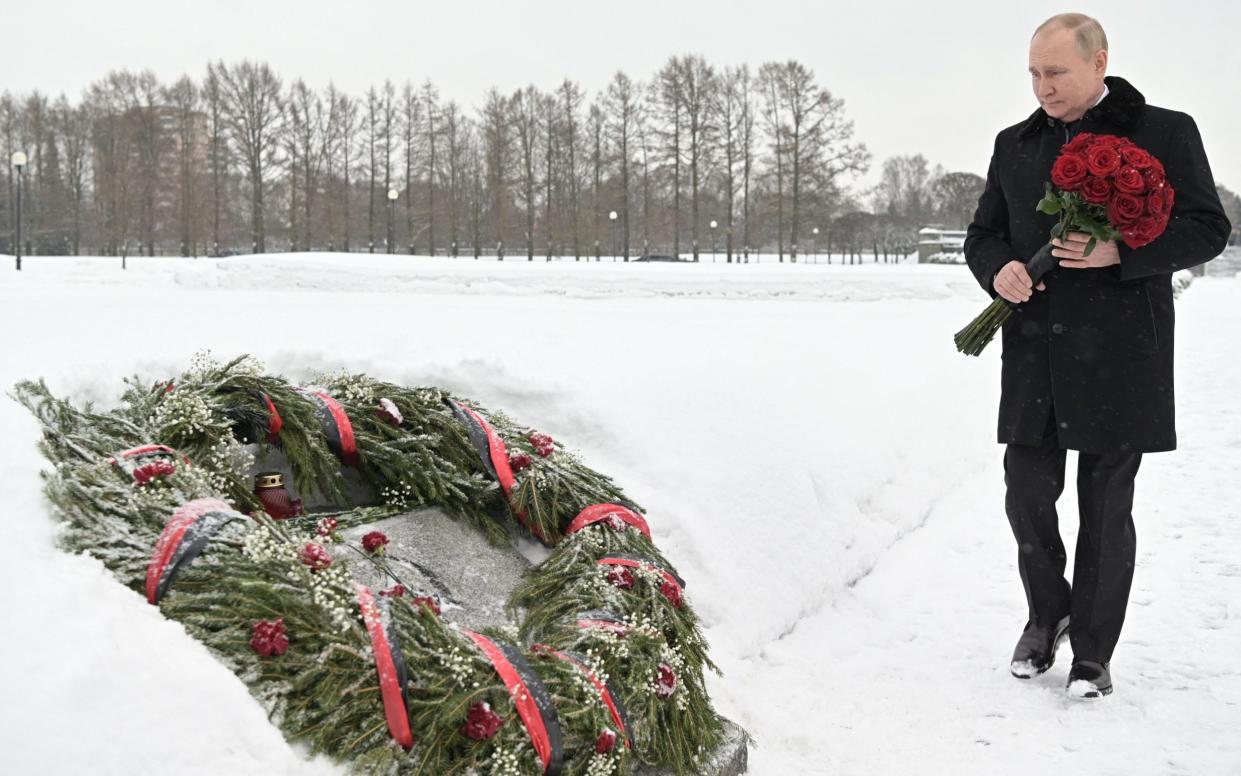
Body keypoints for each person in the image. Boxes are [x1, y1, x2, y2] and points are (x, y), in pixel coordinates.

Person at [963, 12, 1231, 699]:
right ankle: (1045, 614)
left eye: (1055, 73)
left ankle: (1092, 650)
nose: (1041, 87)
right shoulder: (1013, 144)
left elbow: (1207, 228)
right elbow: (983, 234)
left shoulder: (1164, 131)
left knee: (1104, 505)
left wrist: (1123, 251)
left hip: (1120, 351)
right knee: (1025, 494)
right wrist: (998, 271)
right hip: (1033, 349)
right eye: (1032, 73)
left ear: (1098, 62)